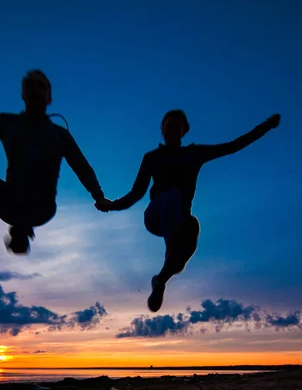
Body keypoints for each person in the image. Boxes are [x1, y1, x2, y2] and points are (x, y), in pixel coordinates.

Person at [96, 110, 281, 312]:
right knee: (172, 196)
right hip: (155, 217)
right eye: (168, 126)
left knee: (192, 226)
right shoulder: (152, 158)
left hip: (180, 221)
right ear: (162, 131)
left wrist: (266, 126)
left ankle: (161, 279)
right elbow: (136, 194)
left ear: (184, 131)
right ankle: (171, 249)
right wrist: (111, 205)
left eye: (177, 127)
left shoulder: (194, 154)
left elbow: (233, 146)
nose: (172, 130)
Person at [0, 69, 111, 272]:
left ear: (49, 97)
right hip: (11, 200)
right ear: (23, 93)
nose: (35, 89)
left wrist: (99, 196)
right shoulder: (8, 123)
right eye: (29, 85)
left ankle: (21, 230)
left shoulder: (60, 136)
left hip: (42, 207)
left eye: (41, 86)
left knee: (32, 182)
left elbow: (82, 167)